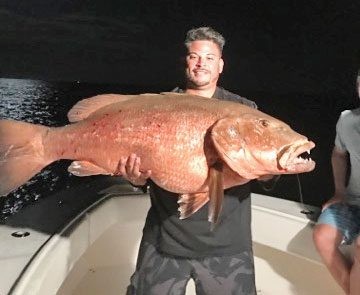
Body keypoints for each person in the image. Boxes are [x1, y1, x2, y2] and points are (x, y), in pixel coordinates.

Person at [120, 26, 270, 295]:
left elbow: (269, 174)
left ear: (221, 65)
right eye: (194, 56)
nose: (202, 63)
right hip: (164, 239)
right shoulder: (158, 107)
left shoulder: (244, 110)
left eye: (210, 58)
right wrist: (136, 178)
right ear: (185, 62)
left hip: (228, 248)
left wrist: (270, 166)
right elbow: (141, 175)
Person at [313, 70, 360, 295]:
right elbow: (338, 154)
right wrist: (339, 191)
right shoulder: (346, 120)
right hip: (352, 201)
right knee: (322, 236)